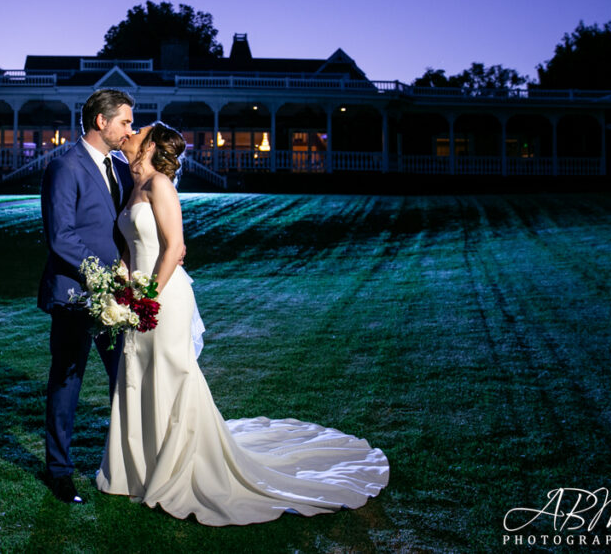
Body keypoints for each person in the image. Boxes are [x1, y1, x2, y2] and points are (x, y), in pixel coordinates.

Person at [95, 121, 390, 526]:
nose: (130, 133)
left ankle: (176, 467)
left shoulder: (160, 185)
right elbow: (131, 246)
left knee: (170, 374)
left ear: (149, 145)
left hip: (164, 299)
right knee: (138, 375)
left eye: (138, 130)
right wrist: (123, 284)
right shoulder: (133, 187)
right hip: (139, 298)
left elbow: (174, 249)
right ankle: (137, 468)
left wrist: (146, 297)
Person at [38, 88, 136, 504]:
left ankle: (127, 464)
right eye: (126, 122)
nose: (129, 130)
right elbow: (61, 238)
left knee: (127, 379)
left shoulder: (120, 168)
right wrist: (105, 275)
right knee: (67, 381)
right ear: (102, 121)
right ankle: (59, 471)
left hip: (118, 298)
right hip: (76, 294)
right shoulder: (65, 167)